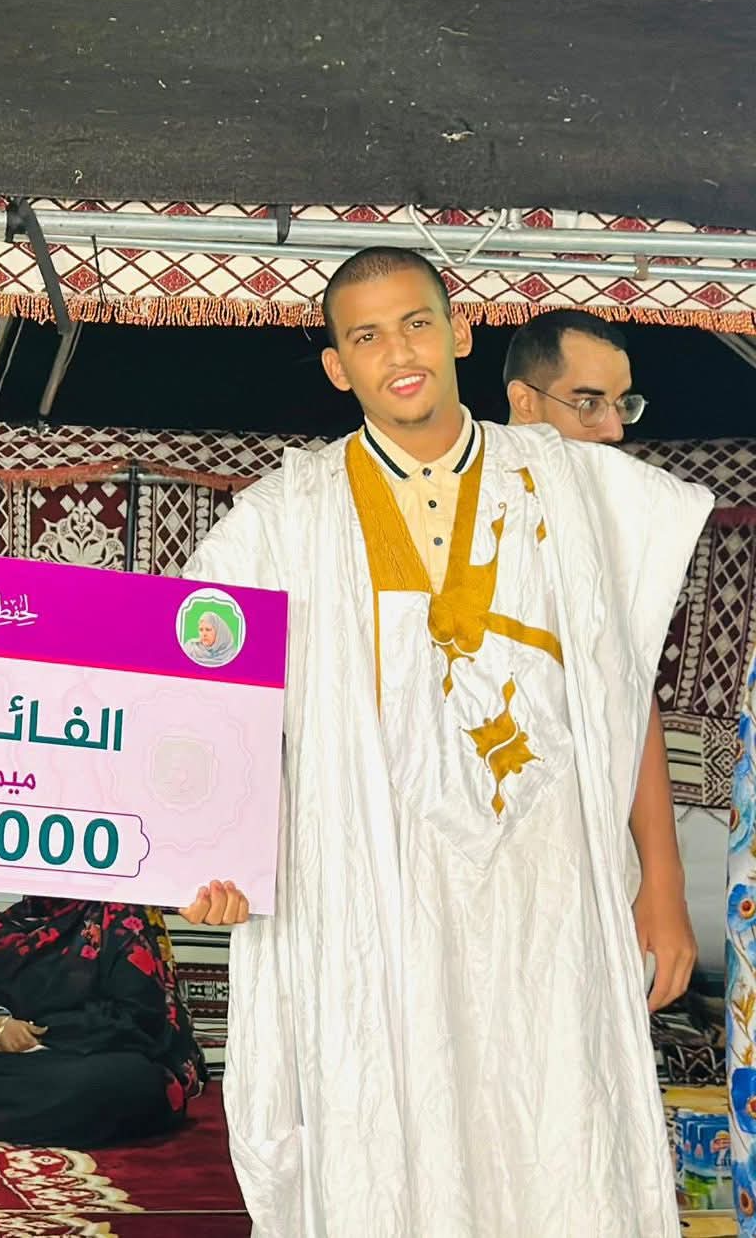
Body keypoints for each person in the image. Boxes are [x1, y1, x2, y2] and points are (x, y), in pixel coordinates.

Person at [180, 246, 713, 1236]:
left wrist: (663, 885)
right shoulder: (283, 517)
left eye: (416, 323)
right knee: (387, 1137)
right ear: (337, 365)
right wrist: (209, 850)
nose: (398, 353)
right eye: (366, 336)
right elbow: (193, 682)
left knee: (558, 1130)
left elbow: (619, 677)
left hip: (544, 892)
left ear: (459, 332)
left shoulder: (569, 485)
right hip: (369, 894)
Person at [503, 308, 696, 1011]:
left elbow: (628, 692)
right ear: (525, 402)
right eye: (589, 403)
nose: (613, 429)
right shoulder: (447, 499)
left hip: (581, 859)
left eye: (623, 405)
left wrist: (664, 885)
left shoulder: (616, 519)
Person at [0, 897, 204, 1147]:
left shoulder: (122, 918)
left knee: (132, 1082)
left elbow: (137, 1019)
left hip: (83, 1058)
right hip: (7, 1062)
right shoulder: (12, 923)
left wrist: (37, 1041)